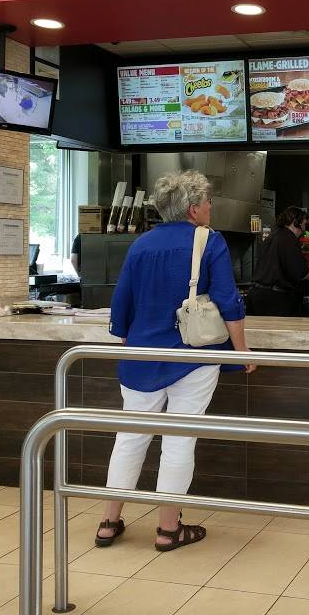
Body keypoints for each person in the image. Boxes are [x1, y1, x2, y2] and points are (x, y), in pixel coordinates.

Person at [95, 170, 256, 552]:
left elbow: (122, 306)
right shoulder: (209, 241)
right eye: (208, 202)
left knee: (130, 437)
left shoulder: (140, 245)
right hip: (191, 358)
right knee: (179, 439)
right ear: (193, 208)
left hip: (141, 358)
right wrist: (242, 350)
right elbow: (228, 300)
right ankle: (168, 530)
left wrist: (134, 340)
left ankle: (108, 522)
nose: (211, 208)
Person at [248, 206, 309, 317]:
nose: (304, 230)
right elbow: (301, 274)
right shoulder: (290, 239)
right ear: (296, 223)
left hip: (256, 296)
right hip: (276, 300)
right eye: (303, 224)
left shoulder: (272, 236)